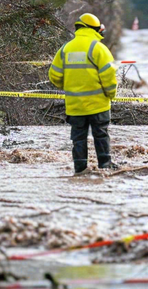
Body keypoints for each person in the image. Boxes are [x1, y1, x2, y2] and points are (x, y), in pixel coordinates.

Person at [49, 13, 119, 173]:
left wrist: (68, 86)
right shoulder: (98, 48)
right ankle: (105, 165)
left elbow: (54, 76)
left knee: (78, 138)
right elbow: (108, 76)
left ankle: (80, 169)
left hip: (75, 106)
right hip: (98, 105)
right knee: (101, 135)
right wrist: (111, 94)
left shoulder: (65, 49)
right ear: (95, 29)